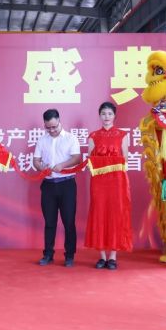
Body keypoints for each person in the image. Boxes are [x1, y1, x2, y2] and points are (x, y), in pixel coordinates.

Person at [84, 102, 133, 270]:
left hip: (117, 181)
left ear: (114, 116)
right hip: (99, 182)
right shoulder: (93, 136)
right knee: (99, 213)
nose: (106, 117)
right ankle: (102, 256)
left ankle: (112, 256)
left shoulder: (122, 135)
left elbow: (125, 158)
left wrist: (108, 161)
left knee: (115, 213)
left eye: (110, 114)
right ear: (99, 115)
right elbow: (90, 160)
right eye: (103, 114)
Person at [33, 109, 82, 267]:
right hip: (48, 185)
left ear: (60, 121)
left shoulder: (70, 138)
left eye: (54, 127)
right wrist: (41, 167)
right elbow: (36, 160)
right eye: (48, 128)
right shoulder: (42, 140)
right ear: (44, 125)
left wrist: (63, 165)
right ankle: (48, 254)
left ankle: (69, 255)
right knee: (49, 222)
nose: (52, 130)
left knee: (69, 222)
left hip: (67, 184)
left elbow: (77, 158)